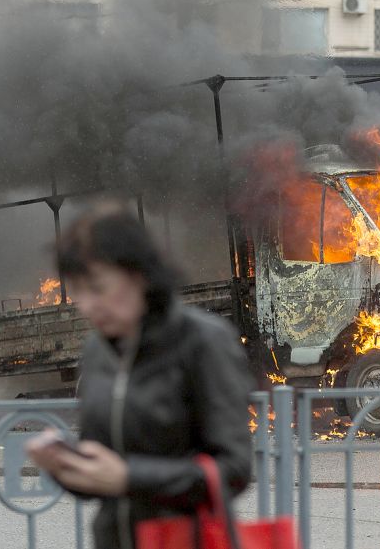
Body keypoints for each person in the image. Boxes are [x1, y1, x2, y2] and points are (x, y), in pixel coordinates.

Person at [26, 203, 254, 549]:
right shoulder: (97, 351)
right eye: (78, 291)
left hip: (185, 540)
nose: (87, 306)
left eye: (98, 288)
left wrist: (129, 477)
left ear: (140, 275)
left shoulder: (203, 341)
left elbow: (234, 470)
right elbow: (102, 473)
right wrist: (63, 464)